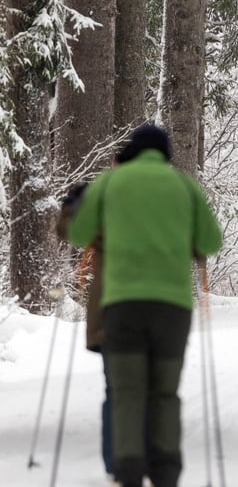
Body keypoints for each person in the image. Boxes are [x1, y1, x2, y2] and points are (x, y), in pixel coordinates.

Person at [67, 124, 224, 487]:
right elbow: (211, 241)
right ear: (165, 154)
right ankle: (166, 473)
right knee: (164, 393)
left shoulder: (110, 183)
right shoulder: (184, 186)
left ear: (131, 152)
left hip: (123, 306)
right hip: (172, 308)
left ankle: (128, 473)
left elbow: (78, 235)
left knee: (127, 392)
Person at [56, 181, 112, 481]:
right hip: (164, 310)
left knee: (116, 388)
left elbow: (72, 234)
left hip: (112, 309)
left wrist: (71, 206)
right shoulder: (176, 191)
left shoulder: (105, 196)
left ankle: (117, 465)